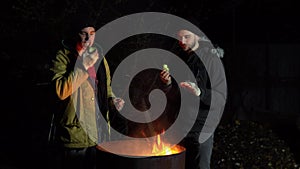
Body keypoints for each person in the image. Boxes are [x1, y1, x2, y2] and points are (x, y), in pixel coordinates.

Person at [48, 16, 124, 169]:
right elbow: (60, 91)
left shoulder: (99, 57)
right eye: (83, 33)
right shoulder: (63, 57)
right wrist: (82, 67)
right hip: (75, 135)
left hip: (99, 133)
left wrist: (113, 100)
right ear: (76, 34)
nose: (88, 37)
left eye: (92, 32)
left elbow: (106, 89)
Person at [172, 28, 227, 169]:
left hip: (201, 129)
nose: (182, 41)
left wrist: (199, 92)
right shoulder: (180, 58)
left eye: (186, 37)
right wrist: (166, 84)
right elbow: (174, 94)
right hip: (181, 128)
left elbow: (220, 98)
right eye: (179, 38)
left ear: (197, 36)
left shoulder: (211, 59)